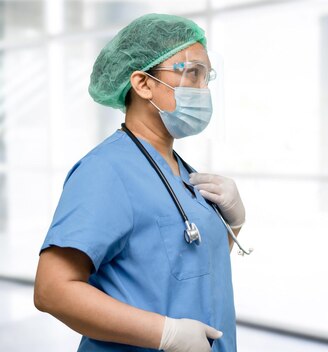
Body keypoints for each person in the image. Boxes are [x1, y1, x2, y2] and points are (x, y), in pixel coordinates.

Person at [33, 13, 245, 352]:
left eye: (207, 77)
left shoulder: (182, 172)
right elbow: (52, 290)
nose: (203, 89)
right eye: (192, 73)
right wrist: (166, 334)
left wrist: (234, 223)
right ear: (143, 83)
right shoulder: (105, 171)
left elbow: (184, 271)